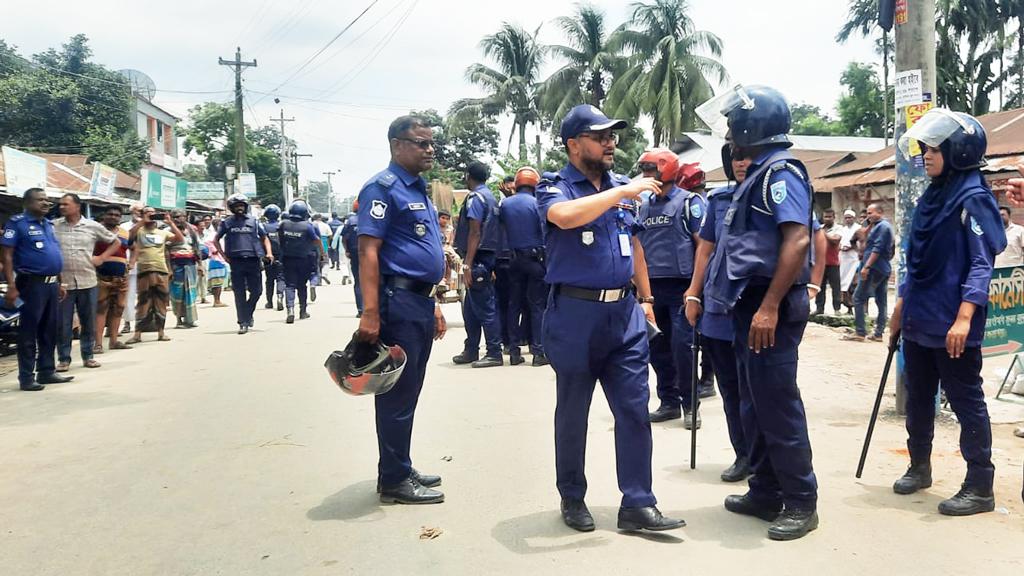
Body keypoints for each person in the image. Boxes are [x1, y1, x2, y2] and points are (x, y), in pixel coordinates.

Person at [539, 104, 683, 533]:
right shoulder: (556, 186)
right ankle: (572, 496)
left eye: (613, 136)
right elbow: (563, 218)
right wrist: (621, 194)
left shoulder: (622, 187)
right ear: (573, 144)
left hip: (624, 315)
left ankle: (638, 502)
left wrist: (648, 299)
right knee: (573, 412)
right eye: (600, 136)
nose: (610, 143)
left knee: (634, 410)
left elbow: (634, 246)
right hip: (575, 314)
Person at [696, 85, 819, 540]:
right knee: (755, 405)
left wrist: (768, 307)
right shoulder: (757, 174)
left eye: (733, 123)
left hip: (771, 307)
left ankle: (802, 502)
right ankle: (765, 491)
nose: (728, 132)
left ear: (753, 126)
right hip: (747, 308)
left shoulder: (780, 174)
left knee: (778, 406)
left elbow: (798, 240)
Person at [888, 109, 1007, 516]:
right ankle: (919, 466)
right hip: (920, 317)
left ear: (959, 150)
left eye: (934, 147)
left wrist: (964, 317)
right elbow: (915, 261)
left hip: (953, 322)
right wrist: (901, 306)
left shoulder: (972, 198)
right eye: (924, 148)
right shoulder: (931, 195)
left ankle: (979, 486)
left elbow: (981, 263)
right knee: (919, 398)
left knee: (965, 402)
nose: (926, 155)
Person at [357, 115, 447, 504]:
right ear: (397, 145)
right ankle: (393, 479)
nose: (429, 149)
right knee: (396, 392)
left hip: (420, 300)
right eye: (421, 143)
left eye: (431, 143)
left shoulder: (419, 190)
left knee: (409, 390)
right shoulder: (383, 188)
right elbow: (368, 251)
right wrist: (371, 312)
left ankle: (399, 465)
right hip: (398, 302)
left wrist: (436, 303)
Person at [684, 147, 755, 483]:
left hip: (753, 311)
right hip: (716, 309)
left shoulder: (770, 193)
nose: (741, 162)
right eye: (736, 156)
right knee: (730, 390)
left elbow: (807, 237)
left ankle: (763, 460)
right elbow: (705, 248)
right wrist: (694, 292)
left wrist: (812, 287)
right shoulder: (718, 200)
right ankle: (742, 454)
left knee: (756, 392)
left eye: (748, 155)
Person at [636, 149, 706, 428]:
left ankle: (691, 406)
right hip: (652, 290)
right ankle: (668, 402)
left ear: (667, 170)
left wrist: (696, 290)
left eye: (651, 169)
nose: (645, 175)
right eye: (644, 169)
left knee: (683, 348)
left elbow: (704, 245)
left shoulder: (690, 203)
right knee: (657, 347)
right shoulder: (644, 206)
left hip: (682, 288)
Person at [0, 188, 74, 391]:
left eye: (47, 200)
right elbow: (6, 256)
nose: (46, 203)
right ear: (27, 203)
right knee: (29, 331)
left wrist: (60, 282)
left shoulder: (48, 224)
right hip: (30, 284)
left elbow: (54, 254)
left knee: (49, 330)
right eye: (40, 200)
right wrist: (12, 286)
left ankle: (47, 371)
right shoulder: (17, 224)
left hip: (51, 285)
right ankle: (26, 377)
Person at [53, 193, 120, 371]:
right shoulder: (54, 226)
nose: (62, 207)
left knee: (88, 320)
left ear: (77, 206)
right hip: (64, 282)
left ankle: (88, 356)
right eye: (60, 205)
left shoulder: (92, 226)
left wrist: (102, 258)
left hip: (88, 280)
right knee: (63, 323)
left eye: (65, 204)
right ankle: (64, 359)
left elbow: (115, 242)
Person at [452, 161, 504, 368]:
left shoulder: (475, 198)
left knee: (485, 307)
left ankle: (494, 352)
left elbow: (475, 231)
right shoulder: (491, 197)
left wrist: (467, 264)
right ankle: (471, 348)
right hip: (487, 257)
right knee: (471, 308)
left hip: (477, 258)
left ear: (467, 176)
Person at [499, 166, 549, 366]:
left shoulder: (505, 204)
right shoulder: (538, 204)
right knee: (536, 306)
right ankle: (538, 352)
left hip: (513, 259)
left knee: (514, 304)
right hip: (535, 259)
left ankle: (513, 351)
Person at [216, 194, 273, 334]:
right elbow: (216, 240)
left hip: (253, 260)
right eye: (236, 206)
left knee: (257, 292)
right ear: (232, 208)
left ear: (245, 207)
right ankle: (243, 322)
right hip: (236, 262)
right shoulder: (227, 223)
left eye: (241, 205)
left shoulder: (254, 221)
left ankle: (248, 313)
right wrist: (224, 256)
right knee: (239, 293)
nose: (239, 208)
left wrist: (269, 253)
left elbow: (264, 237)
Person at [126, 207, 184, 344]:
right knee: (143, 301)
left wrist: (170, 223)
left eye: (153, 213)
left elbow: (179, 239)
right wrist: (142, 221)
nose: (152, 216)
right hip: (144, 270)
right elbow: (130, 236)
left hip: (161, 270)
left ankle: (161, 332)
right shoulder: (139, 230)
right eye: (148, 213)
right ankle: (137, 334)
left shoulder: (162, 232)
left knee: (161, 300)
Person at [843, 204, 894, 342]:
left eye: (871, 213)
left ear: (880, 212)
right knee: (881, 300)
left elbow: (877, 249)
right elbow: (864, 237)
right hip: (882, 268)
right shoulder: (877, 226)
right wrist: (868, 224)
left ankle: (860, 332)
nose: (868, 216)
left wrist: (866, 267)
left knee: (858, 298)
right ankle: (878, 333)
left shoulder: (883, 227)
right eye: (867, 213)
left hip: (874, 268)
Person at [93, 205, 133, 353]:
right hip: (101, 276)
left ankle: (114, 341)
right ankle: (98, 343)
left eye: (117, 215)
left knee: (118, 308)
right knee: (101, 308)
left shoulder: (125, 233)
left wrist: (131, 263)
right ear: (104, 215)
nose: (113, 217)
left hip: (121, 277)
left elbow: (133, 248)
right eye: (110, 214)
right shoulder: (96, 230)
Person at [279, 200, 323, 323]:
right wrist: (323, 253)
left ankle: (290, 310)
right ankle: (303, 311)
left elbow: (281, 241)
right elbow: (317, 240)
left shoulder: (283, 224)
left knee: (290, 285)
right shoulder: (307, 226)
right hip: (304, 259)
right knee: (301, 286)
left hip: (288, 259)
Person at [167, 210, 201, 329]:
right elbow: (165, 251)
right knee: (177, 293)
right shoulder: (167, 231)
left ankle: (189, 319)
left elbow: (196, 247)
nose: (178, 219)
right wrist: (169, 269)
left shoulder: (191, 230)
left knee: (191, 292)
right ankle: (179, 319)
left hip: (190, 265)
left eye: (181, 216)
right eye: (175, 217)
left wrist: (200, 264)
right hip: (176, 266)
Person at [119, 202, 143, 334]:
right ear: (132, 212)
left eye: (142, 211)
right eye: (138, 211)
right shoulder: (124, 226)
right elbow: (129, 237)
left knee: (144, 295)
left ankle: (142, 323)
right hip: (129, 266)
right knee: (128, 295)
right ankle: (127, 323)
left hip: (146, 265)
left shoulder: (148, 225)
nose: (140, 213)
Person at [815, 208, 843, 315]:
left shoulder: (838, 228)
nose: (827, 219)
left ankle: (837, 309)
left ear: (834, 217)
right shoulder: (820, 228)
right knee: (819, 287)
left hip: (833, 263)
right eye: (825, 217)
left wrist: (823, 234)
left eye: (829, 217)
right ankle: (819, 308)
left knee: (835, 287)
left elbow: (835, 241)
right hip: (821, 262)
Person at [837, 209, 862, 313]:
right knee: (844, 282)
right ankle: (848, 306)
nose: (848, 219)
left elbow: (859, 243)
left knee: (853, 282)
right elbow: (839, 241)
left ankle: (856, 306)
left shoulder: (859, 228)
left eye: (850, 217)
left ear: (854, 218)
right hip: (843, 258)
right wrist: (841, 247)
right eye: (846, 217)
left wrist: (851, 247)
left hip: (854, 258)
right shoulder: (842, 229)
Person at [262, 204, 286, 310]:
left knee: (269, 279)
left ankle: (269, 302)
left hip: (268, 256)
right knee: (281, 278)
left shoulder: (263, 226)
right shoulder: (282, 225)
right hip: (281, 256)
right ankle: (280, 297)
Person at [340, 202, 362, 316]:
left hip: (354, 253)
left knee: (358, 282)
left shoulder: (350, 221)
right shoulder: (371, 218)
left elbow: (344, 238)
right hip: (371, 253)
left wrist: (347, 250)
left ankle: (361, 310)